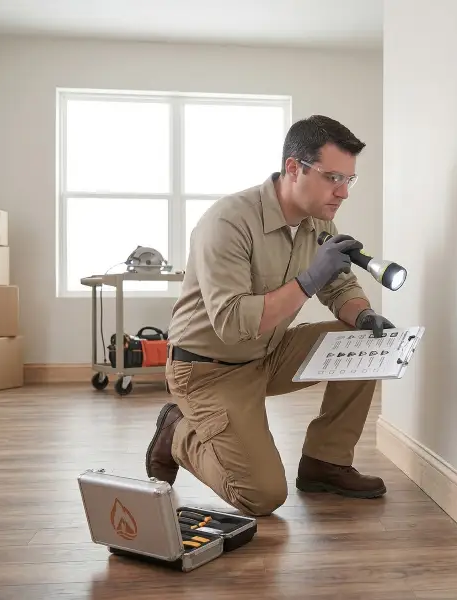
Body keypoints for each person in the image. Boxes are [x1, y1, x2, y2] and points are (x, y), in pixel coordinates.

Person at [145, 115, 395, 517]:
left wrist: (364, 316)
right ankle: (179, 433)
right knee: (261, 496)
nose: (343, 192)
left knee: (367, 344)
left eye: (349, 180)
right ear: (294, 167)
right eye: (333, 177)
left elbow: (339, 287)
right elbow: (232, 323)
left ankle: (325, 463)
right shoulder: (228, 222)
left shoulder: (317, 221)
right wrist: (311, 277)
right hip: (209, 370)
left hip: (269, 353)